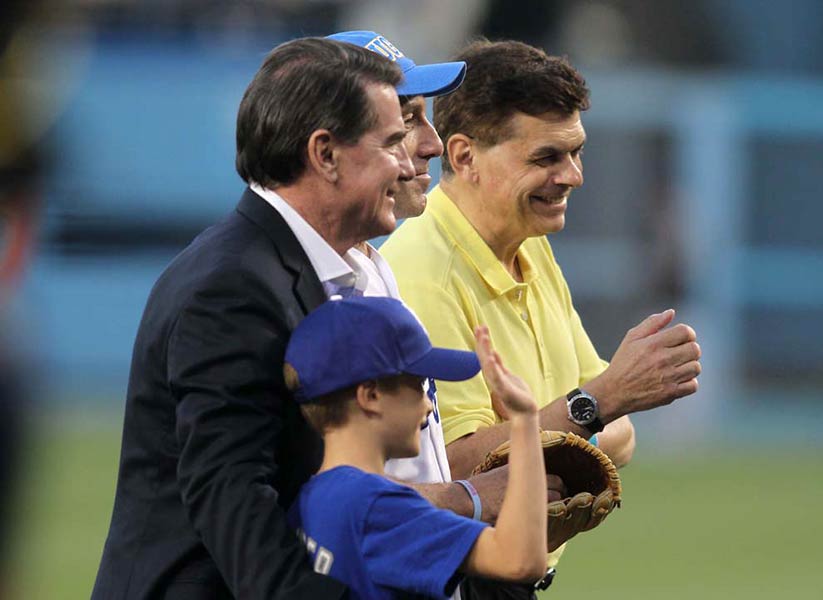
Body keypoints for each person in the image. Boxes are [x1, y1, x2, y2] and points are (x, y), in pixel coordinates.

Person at [92, 38, 413, 599]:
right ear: (326, 154)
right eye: (392, 143)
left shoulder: (284, 269)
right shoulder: (233, 288)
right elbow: (234, 495)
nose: (408, 164)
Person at [381, 38, 702, 582]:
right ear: (463, 157)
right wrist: (593, 406)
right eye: (546, 157)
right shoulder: (421, 274)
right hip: (456, 578)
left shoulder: (529, 244)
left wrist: (574, 419)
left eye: (576, 152)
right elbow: (456, 469)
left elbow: (619, 435)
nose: (573, 175)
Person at [326, 31, 554, 533]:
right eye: (406, 122)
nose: (431, 144)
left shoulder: (369, 266)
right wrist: (468, 500)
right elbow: (313, 494)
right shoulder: (277, 288)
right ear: (330, 147)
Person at [284, 296, 548, 599]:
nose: (427, 405)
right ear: (370, 396)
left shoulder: (309, 500)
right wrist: (525, 420)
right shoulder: (377, 507)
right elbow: (519, 561)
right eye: (417, 385)